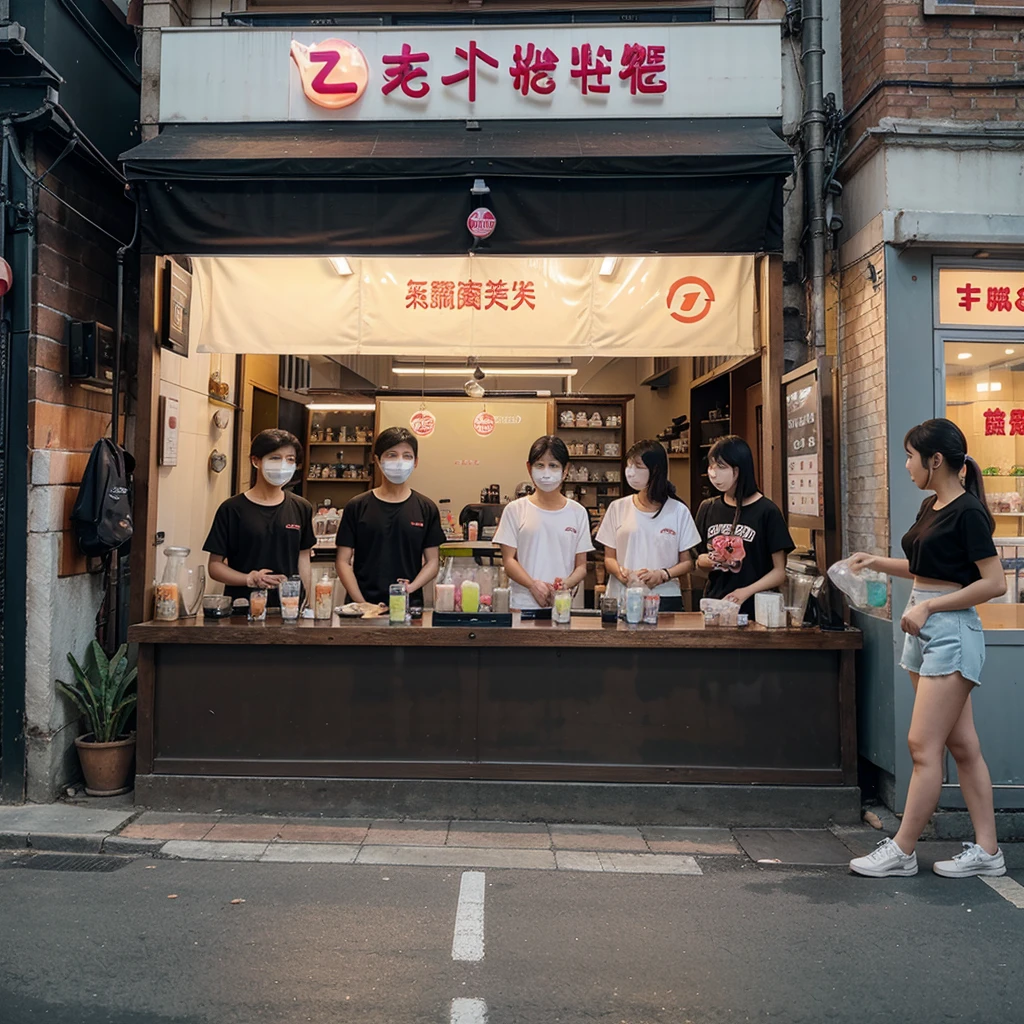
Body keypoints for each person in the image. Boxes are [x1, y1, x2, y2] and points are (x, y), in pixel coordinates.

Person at [847, 418, 1006, 879]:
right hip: (925, 626)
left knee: (922, 746)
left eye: (911, 456)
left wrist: (931, 607)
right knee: (963, 745)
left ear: (936, 460)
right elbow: (923, 565)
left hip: (950, 631)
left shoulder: (968, 512)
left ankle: (902, 848)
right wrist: (876, 561)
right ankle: (988, 852)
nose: (906, 464)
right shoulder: (930, 505)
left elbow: (993, 583)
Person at [334, 426, 445, 608]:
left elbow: (432, 562)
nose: (399, 461)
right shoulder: (357, 506)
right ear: (377, 460)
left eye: (407, 456)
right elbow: (342, 561)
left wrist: (410, 589)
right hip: (361, 606)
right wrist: (362, 604)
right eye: (391, 455)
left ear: (416, 462)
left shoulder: (426, 508)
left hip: (408, 606)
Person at [204, 428, 314, 605]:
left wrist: (306, 602)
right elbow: (214, 566)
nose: (283, 465)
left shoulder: (301, 507)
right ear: (256, 461)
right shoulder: (232, 509)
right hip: (242, 606)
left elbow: (303, 559)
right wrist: (250, 578)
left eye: (290, 459)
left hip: (288, 607)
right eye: (275, 458)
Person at [694, 435, 794, 617]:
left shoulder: (767, 511)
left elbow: (779, 572)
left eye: (721, 467)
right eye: (711, 466)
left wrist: (745, 592)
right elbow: (698, 561)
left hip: (756, 610)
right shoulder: (708, 508)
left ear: (739, 470)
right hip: (715, 607)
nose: (714, 473)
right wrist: (705, 562)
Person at [596, 439, 700, 612]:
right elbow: (609, 558)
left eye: (638, 466)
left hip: (664, 597)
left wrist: (663, 574)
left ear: (656, 470)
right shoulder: (618, 507)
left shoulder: (677, 511)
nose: (631, 472)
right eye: (629, 465)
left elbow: (687, 563)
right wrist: (623, 574)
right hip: (622, 595)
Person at [494, 435, 594, 611]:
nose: (546, 472)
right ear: (529, 468)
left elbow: (581, 566)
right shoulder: (515, 509)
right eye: (540, 465)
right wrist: (532, 585)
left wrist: (563, 586)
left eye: (553, 465)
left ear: (565, 470)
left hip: (562, 606)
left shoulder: (578, 512)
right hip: (521, 605)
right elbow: (509, 561)